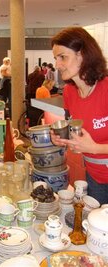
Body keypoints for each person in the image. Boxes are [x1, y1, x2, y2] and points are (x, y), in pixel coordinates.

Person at [50, 27, 108, 205]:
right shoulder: (69, 92)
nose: (57, 65)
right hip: (95, 176)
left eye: (63, 57)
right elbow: (74, 127)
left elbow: (91, 145)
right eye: (56, 59)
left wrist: (94, 148)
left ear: (82, 54)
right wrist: (61, 138)